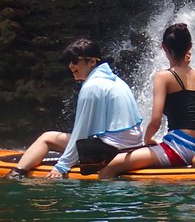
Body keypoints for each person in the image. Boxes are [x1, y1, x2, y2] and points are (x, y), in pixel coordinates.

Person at [6, 39, 143, 179]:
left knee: (47, 138)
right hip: (133, 146)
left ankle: (17, 174)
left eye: (75, 61)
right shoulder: (115, 80)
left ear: (92, 62)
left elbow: (82, 131)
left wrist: (62, 166)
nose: (71, 66)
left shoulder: (92, 86)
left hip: (111, 150)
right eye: (70, 61)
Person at [99, 23, 195, 178]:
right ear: (190, 46)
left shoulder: (163, 77)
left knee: (110, 167)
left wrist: (147, 139)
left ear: (164, 47)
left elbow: (156, 121)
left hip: (180, 148)